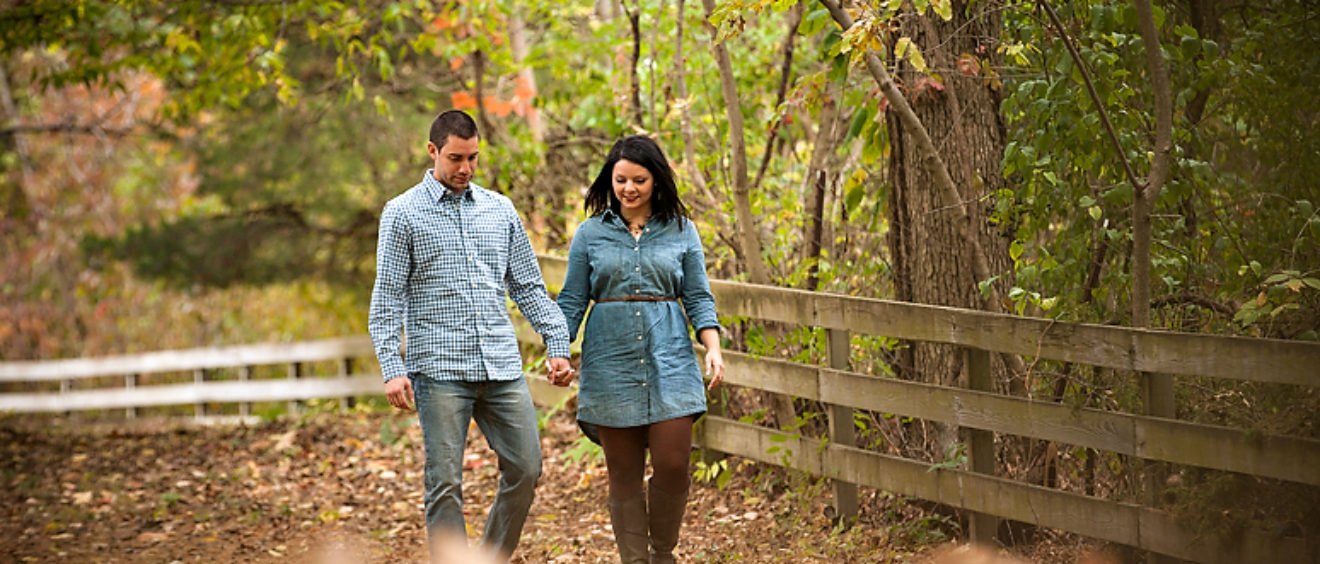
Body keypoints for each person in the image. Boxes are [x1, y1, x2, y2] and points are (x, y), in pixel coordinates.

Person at [367, 110, 575, 562]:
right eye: (456, 158)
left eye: (473, 158)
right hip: (439, 369)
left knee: (526, 467)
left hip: (500, 365)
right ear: (432, 151)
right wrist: (391, 367)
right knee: (444, 482)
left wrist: (556, 343)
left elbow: (528, 286)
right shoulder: (402, 214)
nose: (465, 168)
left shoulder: (499, 210)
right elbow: (386, 299)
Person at [555, 135, 726, 563]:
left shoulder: (682, 230)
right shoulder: (590, 234)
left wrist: (713, 347)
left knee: (673, 463)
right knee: (624, 474)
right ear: (609, 180)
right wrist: (559, 350)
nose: (629, 189)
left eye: (639, 180)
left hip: (670, 357)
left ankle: (662, 553)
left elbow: (699, 297)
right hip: (609, 361)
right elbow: (572, 300)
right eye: (621, 180)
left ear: (656, 180)